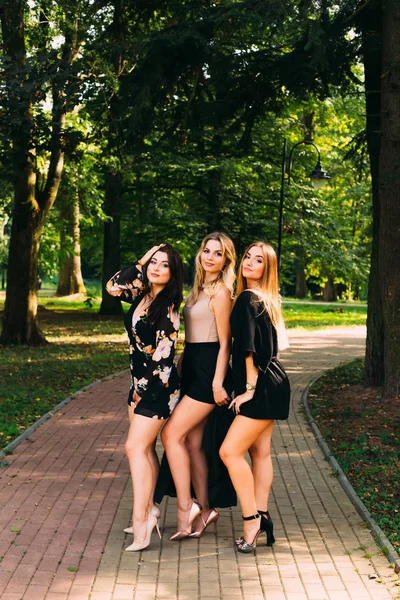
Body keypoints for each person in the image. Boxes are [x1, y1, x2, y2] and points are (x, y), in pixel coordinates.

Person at [106, 243, 183, 551]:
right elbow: (113, 287)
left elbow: (163, 363)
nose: (155, 268)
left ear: (173, 273)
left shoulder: (168, 308)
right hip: (138, 385)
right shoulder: (141, 294)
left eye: (163, 265)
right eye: (153, 262)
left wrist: (142, 394)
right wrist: (140, 261)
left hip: (159, 390)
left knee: (133, 447)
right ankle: (151, 509)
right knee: (146, 448)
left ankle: (142, 521)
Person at [160, 232, 236, 540]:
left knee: (170, 434)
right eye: (207, 250)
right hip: (191, 363)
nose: (210, 257)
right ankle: (206, 509)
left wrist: (218, 382)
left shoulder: (221, 292)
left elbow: (224, 342)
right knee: (193, 444)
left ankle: (186, 506)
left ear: (226, 260)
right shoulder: (196, 289)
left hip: (209, 371)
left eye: (218, 254)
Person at [220, 242, 290, 553]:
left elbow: (247, 348)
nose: (249, 262)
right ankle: (263, 515)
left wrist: (247, 391)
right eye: (247, 256)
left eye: (258, 260)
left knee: (229, 452)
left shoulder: (247, 299)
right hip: (275, 382)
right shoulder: (267, 299)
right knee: (260, 454)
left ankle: (251, 521)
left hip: (259, 387)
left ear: (267, 269)